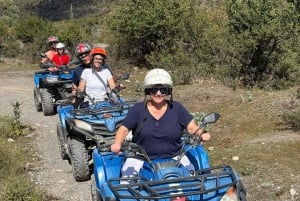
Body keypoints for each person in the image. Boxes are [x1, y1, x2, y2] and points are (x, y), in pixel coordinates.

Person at [111, 68, 210, 180]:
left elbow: (192, 128)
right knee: (126, 187)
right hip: (141, 158)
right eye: (154, 90)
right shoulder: (137, 109)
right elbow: (123, 129)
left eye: (163, 90)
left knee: (195, 181)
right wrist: (117, 143)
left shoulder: (177, 108)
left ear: (168, 91)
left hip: (175, 157)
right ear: (148, 91)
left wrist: (202, 134)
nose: (158, 93)